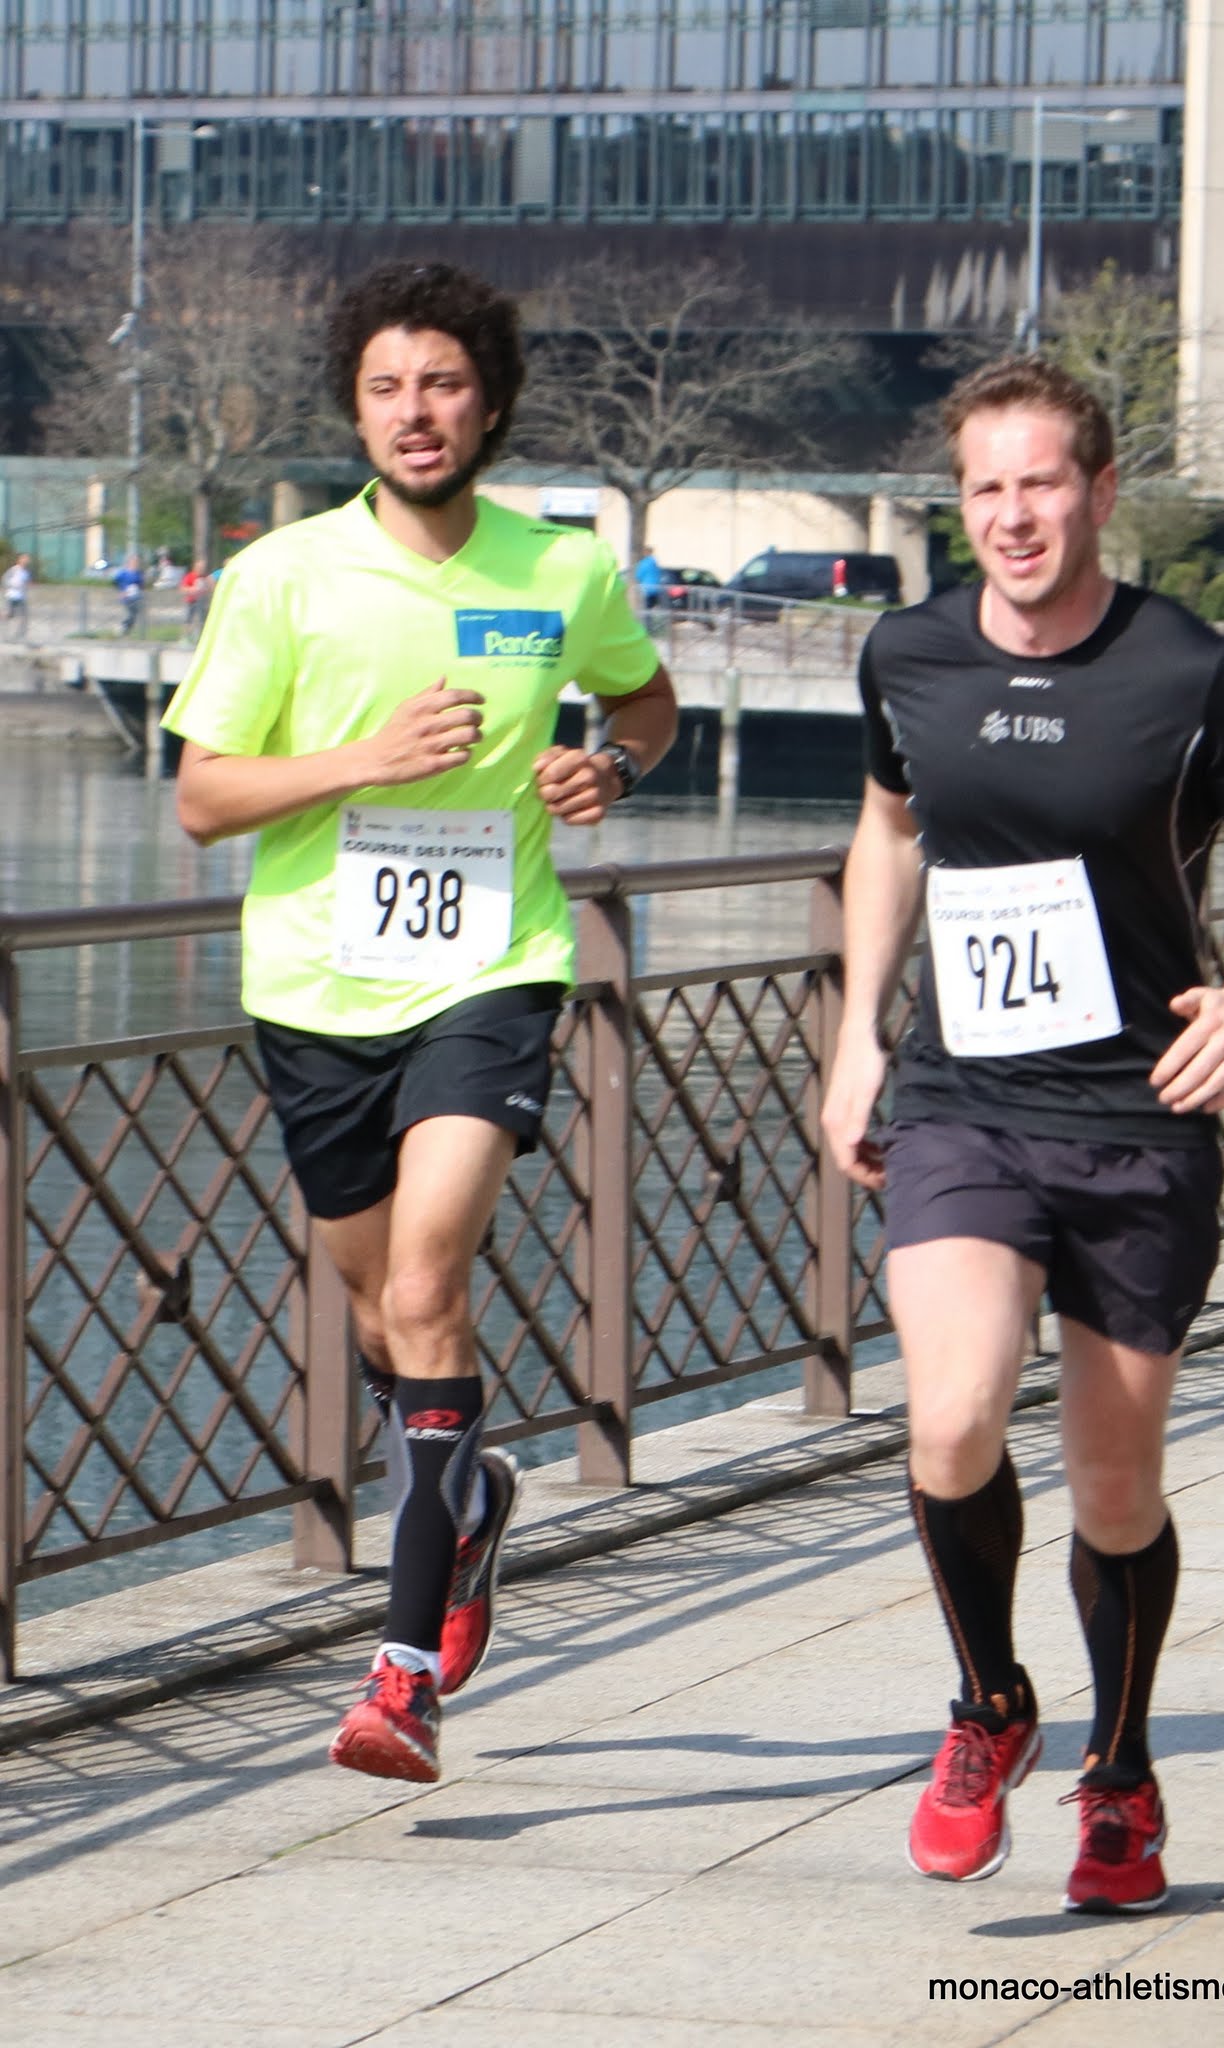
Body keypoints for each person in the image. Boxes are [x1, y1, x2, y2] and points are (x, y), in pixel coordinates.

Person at [821, 356, 1224, 1915]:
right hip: (963, 1104)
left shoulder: (1188, 671)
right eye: (985, 487)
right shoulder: (906, 653)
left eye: (1040, 481)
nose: (1013, 514)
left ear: (1100, 492)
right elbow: (885, 827)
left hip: (1135, 1118)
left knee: (1114, 1489)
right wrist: (855, 1032)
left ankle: (1118, 1773)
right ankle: (988, 1706)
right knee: (950, 1417)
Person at [162, 260, 678, 1784]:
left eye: (442, 383)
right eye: (385, 386)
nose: (414, 411)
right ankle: (472, 1504)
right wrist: (361, 760)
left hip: (492, 967)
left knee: (430, 1276)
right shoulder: (282, 578)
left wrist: (611, 768)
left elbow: (644, 705)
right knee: (384, 1315)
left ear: (490, 403)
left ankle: (400, 1680)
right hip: (314, 987)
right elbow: (202, 799)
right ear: (355, 410)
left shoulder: (562, 570)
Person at [113, 554, 144, 636]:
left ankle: (127, 630)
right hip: (126, 596)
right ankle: (123, 627)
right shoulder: (123, 573)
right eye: (134, 561)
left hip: (136, 596)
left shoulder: (138, 573)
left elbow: (141, 584)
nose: (136, 563)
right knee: (129, 613)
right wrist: (121, 591)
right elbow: (115, 582)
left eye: (137, 562)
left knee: (134, 613)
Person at [181, 558, 212, 639]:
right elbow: (183, 588)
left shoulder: (205, 577)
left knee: (202, 619)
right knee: (188, 620)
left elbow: (209, 588)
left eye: (202, 567)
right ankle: (187, 636)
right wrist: (193, 589)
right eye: (199, 567)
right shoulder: (190, 576)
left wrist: (207, 588)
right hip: (191, 601)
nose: (201, 569)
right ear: (195, 567)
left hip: (202, 602)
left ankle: (201, 636)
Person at [3, 552, 31, 639]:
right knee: (9, 615)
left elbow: (26, 583)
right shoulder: (14, 569)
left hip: (21, 597)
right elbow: (5, 580)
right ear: (19, 559)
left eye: (27, 558)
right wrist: (14, 585)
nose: (26, 560)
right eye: (24, 558)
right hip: (12, 596)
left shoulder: (26, 572)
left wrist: (26, 587)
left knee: (24, 615)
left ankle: (20, 634)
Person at [634, 548, 663, 614]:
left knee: (646, 609)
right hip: (656, 588)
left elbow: (639, 575)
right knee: (653, 607)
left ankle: (647, 620)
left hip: (646, 589)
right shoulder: (655, 563)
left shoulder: (644, 563)